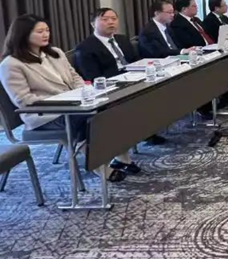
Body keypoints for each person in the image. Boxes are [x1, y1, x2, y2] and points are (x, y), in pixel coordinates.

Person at [0, 14, 131, 183]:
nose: (45, 34)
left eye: (47, 30)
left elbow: (74, 77)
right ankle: (100, 167)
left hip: (76, 104)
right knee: (88, 119)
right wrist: (66, 100)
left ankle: (122, 158)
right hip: (45, 115)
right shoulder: (11, 64)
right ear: (23, 35)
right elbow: (24, 100)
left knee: (112, 109)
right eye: (39, 31)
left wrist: (85, 93)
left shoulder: (55, 53)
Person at [74, 8, 161, 156]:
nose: (111, 22)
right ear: (93, 24)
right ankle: (124, 147)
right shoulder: (85, 48)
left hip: (134, 81)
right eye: (105, 19)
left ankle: (147, 130)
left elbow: (136, 62)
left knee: (159, 89)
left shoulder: (122, 40)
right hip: (111, 89)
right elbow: (93, 77)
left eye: (114, 19)